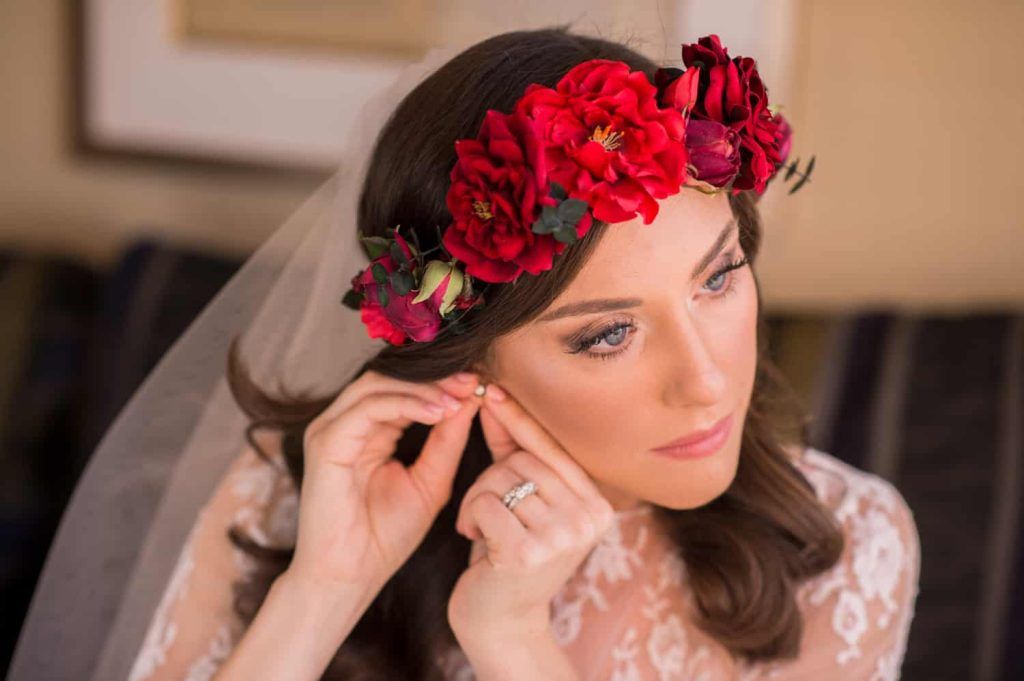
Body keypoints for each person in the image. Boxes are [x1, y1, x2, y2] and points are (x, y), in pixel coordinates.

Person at [10, 25, 920, 681]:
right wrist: (325, 587)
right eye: (609, 333)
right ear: (472, 360)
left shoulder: (848, 546)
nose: (708, 379)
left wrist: (515, 638)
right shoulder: (288, 496)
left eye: (718, 277)